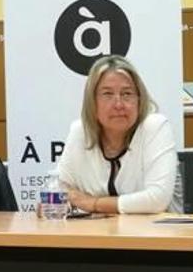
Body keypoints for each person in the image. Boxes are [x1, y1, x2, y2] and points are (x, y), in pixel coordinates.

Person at [57, 55, 179, 214]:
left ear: (139, 100)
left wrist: (93, 203)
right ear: (92, 102)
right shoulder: (80, 132)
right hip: (95, 235)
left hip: (151, 235)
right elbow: (60, 189)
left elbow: (157, 199)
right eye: (107, 94)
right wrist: (59, 203)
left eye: (127, 94)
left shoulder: (155, 127)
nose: (119, 104)